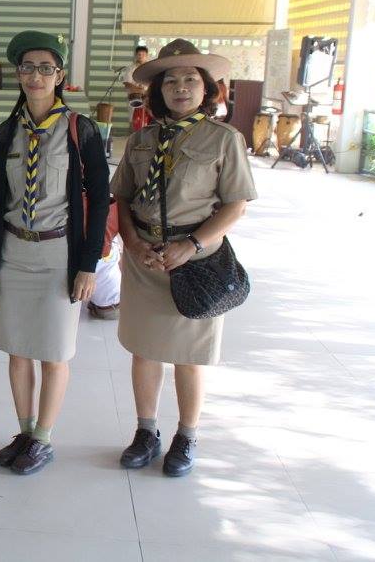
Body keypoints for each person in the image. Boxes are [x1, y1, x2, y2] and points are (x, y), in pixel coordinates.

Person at [111, 39, 256, 477]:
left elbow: (236, 205)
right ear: (157, 91)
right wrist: (133, 243)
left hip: (196, 260)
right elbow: (122, 197)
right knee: (144, 350)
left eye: (190, 79)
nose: (180, 87)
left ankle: (187, 435)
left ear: (206, 88)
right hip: (145, 258)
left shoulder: (224, 139)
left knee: (188, 356)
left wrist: (190, 245)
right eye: (170, 80)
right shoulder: (142, 140)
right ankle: (146, 432)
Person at [0, 31, 110, 475]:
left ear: (60, 76)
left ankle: (44, 438)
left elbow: (100, 201)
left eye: (45, 68)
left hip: (59, 254)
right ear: (18, 74)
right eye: (27, 67)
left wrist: (88, 266)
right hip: (14, 250)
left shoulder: (80, 130)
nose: (36, 76)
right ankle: (24, 430)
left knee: (54, 353)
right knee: (18, 350)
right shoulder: (6, 132)